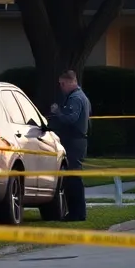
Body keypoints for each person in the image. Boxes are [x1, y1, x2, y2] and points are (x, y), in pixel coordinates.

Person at [48, 70, 92, 220]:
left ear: (71, 82)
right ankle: (76, 212)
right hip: (78, 140)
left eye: (63, 84)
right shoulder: (81, 97)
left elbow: (71, 119)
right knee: (73, 177)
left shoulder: (75, 98)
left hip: (74, 141)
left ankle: (76, 213)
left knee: (73, 178)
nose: (61, 87)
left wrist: (57, 112)